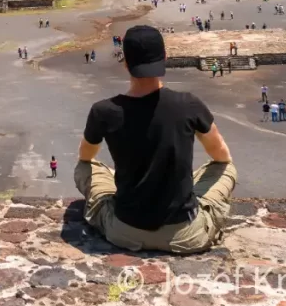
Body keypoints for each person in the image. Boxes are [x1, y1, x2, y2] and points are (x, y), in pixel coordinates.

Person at [74, 25, 237, 253]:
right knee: (226, 169)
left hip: (124, 230)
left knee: (85, 168)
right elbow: (221, 156)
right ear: (165, 58)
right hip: (186, 235)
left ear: (126, 63)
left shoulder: (104, 111)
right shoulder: (188, 104)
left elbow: (85, 156)